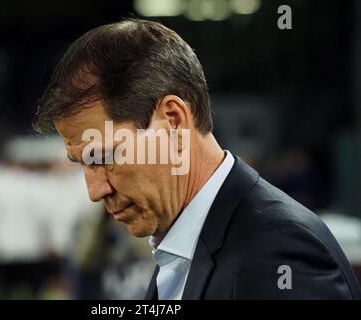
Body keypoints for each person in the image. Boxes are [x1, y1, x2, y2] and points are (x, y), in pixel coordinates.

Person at [32, 19, 361, 299]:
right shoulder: (186, 241)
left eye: (103, 156)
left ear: (172, 121)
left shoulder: (277, 250)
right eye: (83, 163)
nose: (95, 190)